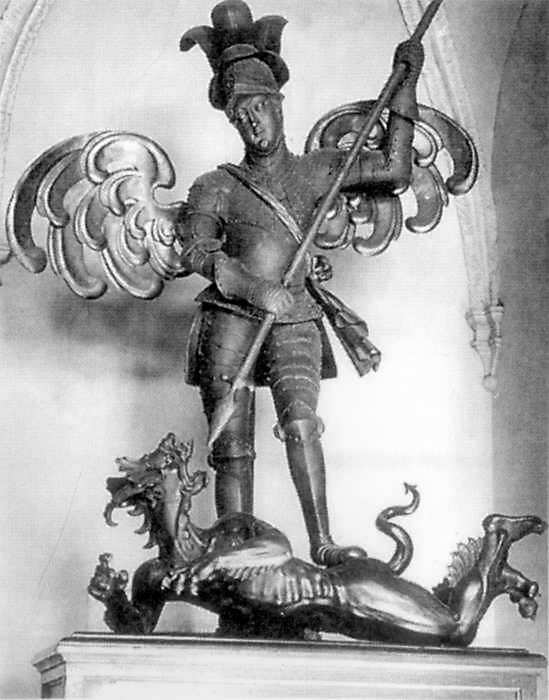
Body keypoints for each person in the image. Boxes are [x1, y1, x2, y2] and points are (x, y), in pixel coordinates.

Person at [178, 0, 424, 566]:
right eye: (239, 113)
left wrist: (406, 86)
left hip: (296, 311)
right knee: (232, 446)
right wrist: (247, 285)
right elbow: (195, 248)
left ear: (278, 105)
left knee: (302, 423)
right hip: (231, 316)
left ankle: (322, 543)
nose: (251, 121)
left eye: (258, 107)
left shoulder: (320, 169)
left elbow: (394, 168)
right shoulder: (215, 185)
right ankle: (236, 546)